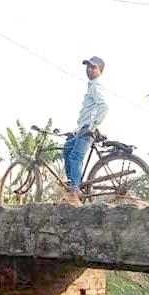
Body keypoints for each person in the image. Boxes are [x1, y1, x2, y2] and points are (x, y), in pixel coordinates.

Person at [61, 56, 109, 205]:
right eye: (88, 66)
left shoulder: (96, 86)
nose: (89, 69)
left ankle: (74, 193)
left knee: (75, 157)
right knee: (67, 148)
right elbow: (89, 111)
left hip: (88, 130)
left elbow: (104, 106)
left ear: (100, 71)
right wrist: (76, 131)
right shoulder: (91, 85)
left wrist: (92, 126)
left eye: (93, 67)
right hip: (82, 129)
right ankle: (73, 186)